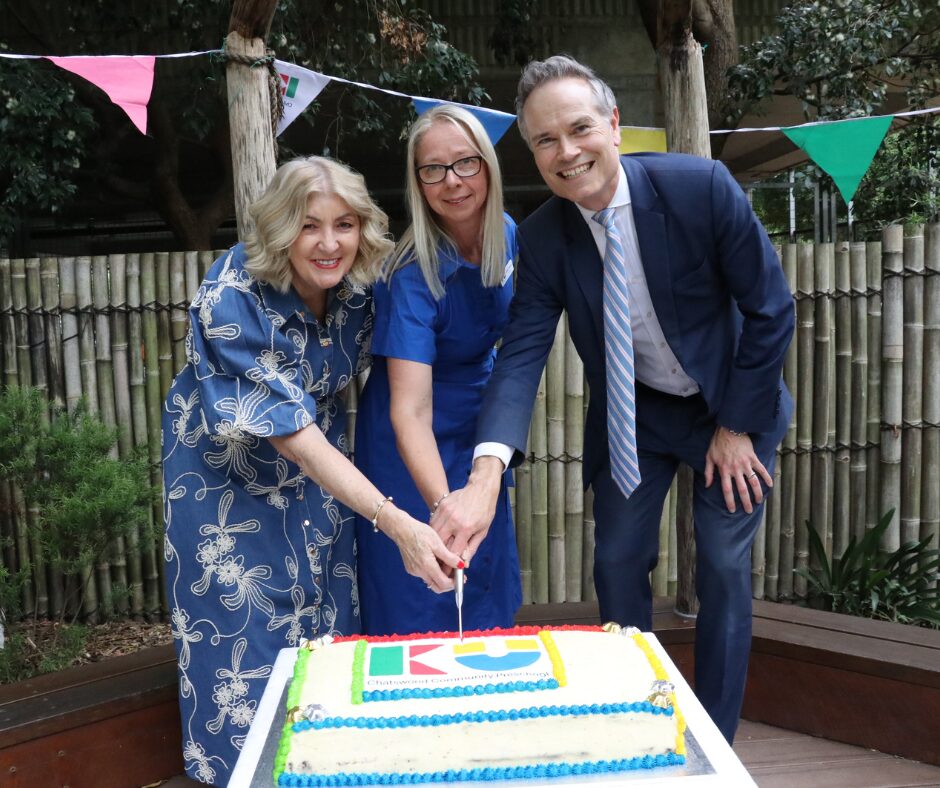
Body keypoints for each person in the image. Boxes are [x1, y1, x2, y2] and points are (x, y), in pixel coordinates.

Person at [432, 56, 794, 743]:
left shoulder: (700, 188)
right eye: (545, 140)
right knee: (617, 561)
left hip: (731, 408)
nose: (566, 152)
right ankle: (639, 721)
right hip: (637, 416)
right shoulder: (544, 237)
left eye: (579, 128)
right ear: (533, 153)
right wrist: (485, 472)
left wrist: (737, 427)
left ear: (614, 126)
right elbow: (521, 354)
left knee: (721, 565)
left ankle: (713, 743)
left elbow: (771, 309)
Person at [162, 156, 461, 785]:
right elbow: (292, 436)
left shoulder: (357, 289)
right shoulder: (231, 295)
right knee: (243, 642)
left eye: (344, 225)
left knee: (326, 630)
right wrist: (397, 522)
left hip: (320, 484)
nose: (330, 243)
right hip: (225, 487)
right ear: (279, 230)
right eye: (309, 225)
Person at [354, 104, 522, 635]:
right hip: (409, 441)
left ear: (488, 165)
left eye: (465, 163)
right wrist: (445, 506)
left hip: (478, 430)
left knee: (485, 578)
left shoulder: (507, 233)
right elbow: (410, 411)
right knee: (424, 583)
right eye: (433, 169)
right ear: (417, 181)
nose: (452, 181)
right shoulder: (411, 274)